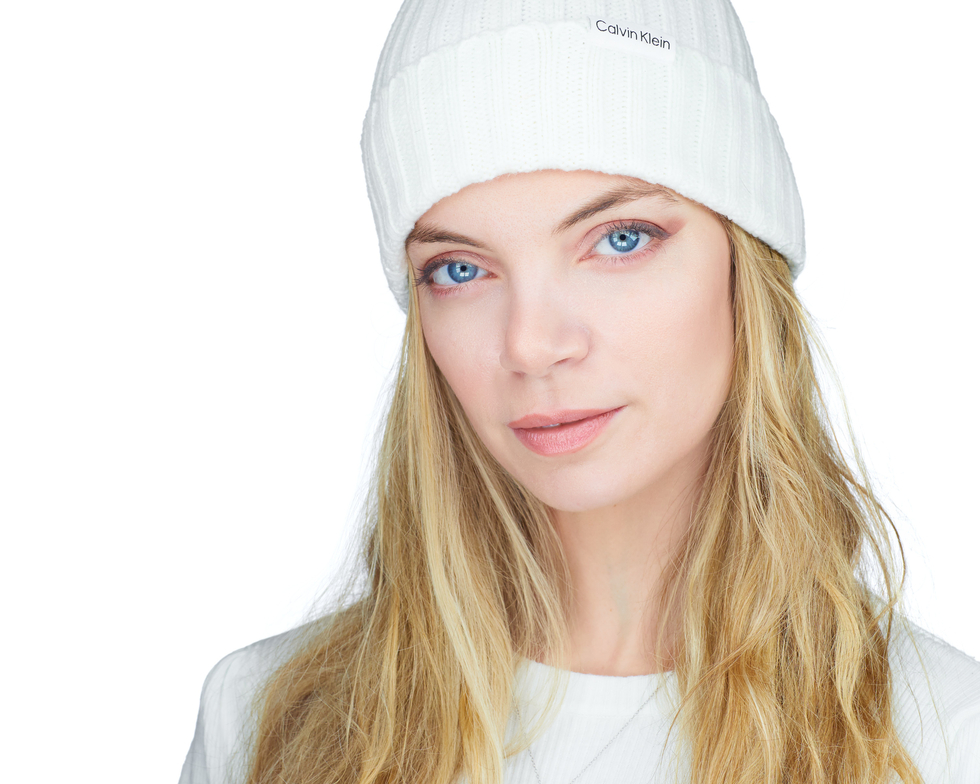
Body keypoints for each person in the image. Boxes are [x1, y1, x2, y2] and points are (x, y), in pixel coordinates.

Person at [179, 0, 980, 782]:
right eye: (459, 269)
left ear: (745, 261)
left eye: (620, 240)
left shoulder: (941, 741)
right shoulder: (266, 724)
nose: (531, 343)